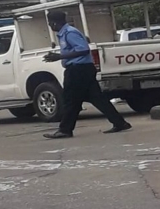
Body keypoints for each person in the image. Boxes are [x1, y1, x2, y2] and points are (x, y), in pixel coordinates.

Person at [43, 11, 132, 139]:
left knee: (70, 100)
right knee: (97, 98)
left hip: (78, 70)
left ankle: (65, 130)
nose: (50, 26)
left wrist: (60, 56)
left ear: (54, 22)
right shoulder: (64, 33)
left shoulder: (69, 32)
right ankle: (119, 122)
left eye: (50, 23)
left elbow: (84, 49)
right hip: (83, 69)